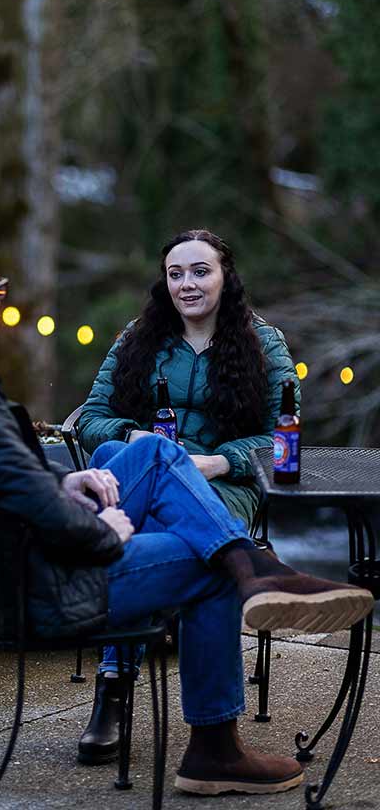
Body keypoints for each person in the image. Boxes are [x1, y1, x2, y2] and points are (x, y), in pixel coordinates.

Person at [0, 234, 372, 796]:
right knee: (207, 559)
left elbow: (1, 485)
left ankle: (244, 575)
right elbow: (38, 499)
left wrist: (67, 479)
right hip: (51, 587)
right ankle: (216, 739)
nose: (187, 284)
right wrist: (99, 530)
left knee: (152, 457)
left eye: (200, 272)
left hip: (7, 579)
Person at [76, 228, 301, 764]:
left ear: (226, 277)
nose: (186, 284)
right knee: (150, 514)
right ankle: (168, 709)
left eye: (200, 271)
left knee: (160, 533)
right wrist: (144, 444)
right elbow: (90, 418)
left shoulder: (262, 344)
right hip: (151, 477)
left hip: (224, 485)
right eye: (175, 274)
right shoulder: (139, 338)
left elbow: (284, 433)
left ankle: (116, 687)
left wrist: (218, 460)